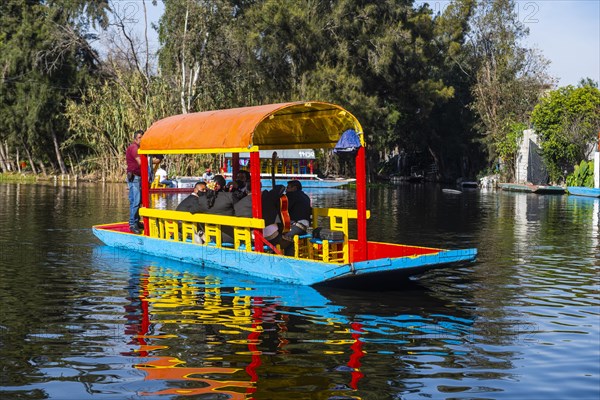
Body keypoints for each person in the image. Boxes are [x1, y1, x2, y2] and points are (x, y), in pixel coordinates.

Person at [280, 180, 312, 255]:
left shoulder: (292, 196)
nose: (286, 190)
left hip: (298, 226)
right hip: (305, 225)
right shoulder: (305, 196)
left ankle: (288, 255)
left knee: (283, 237)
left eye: (288, 188)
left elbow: (283, 208)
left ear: (294, 188)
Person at [126, 130, 144, 234]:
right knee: (136, 201)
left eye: (142, 137)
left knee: (137, 201)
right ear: (135, 139)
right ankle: (133, 224)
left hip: (138, 177)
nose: (141, 140)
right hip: (135, 178)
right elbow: (140, 162)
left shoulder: (138, 148)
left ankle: (136, 221)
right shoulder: (134, 148)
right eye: (139, 138)